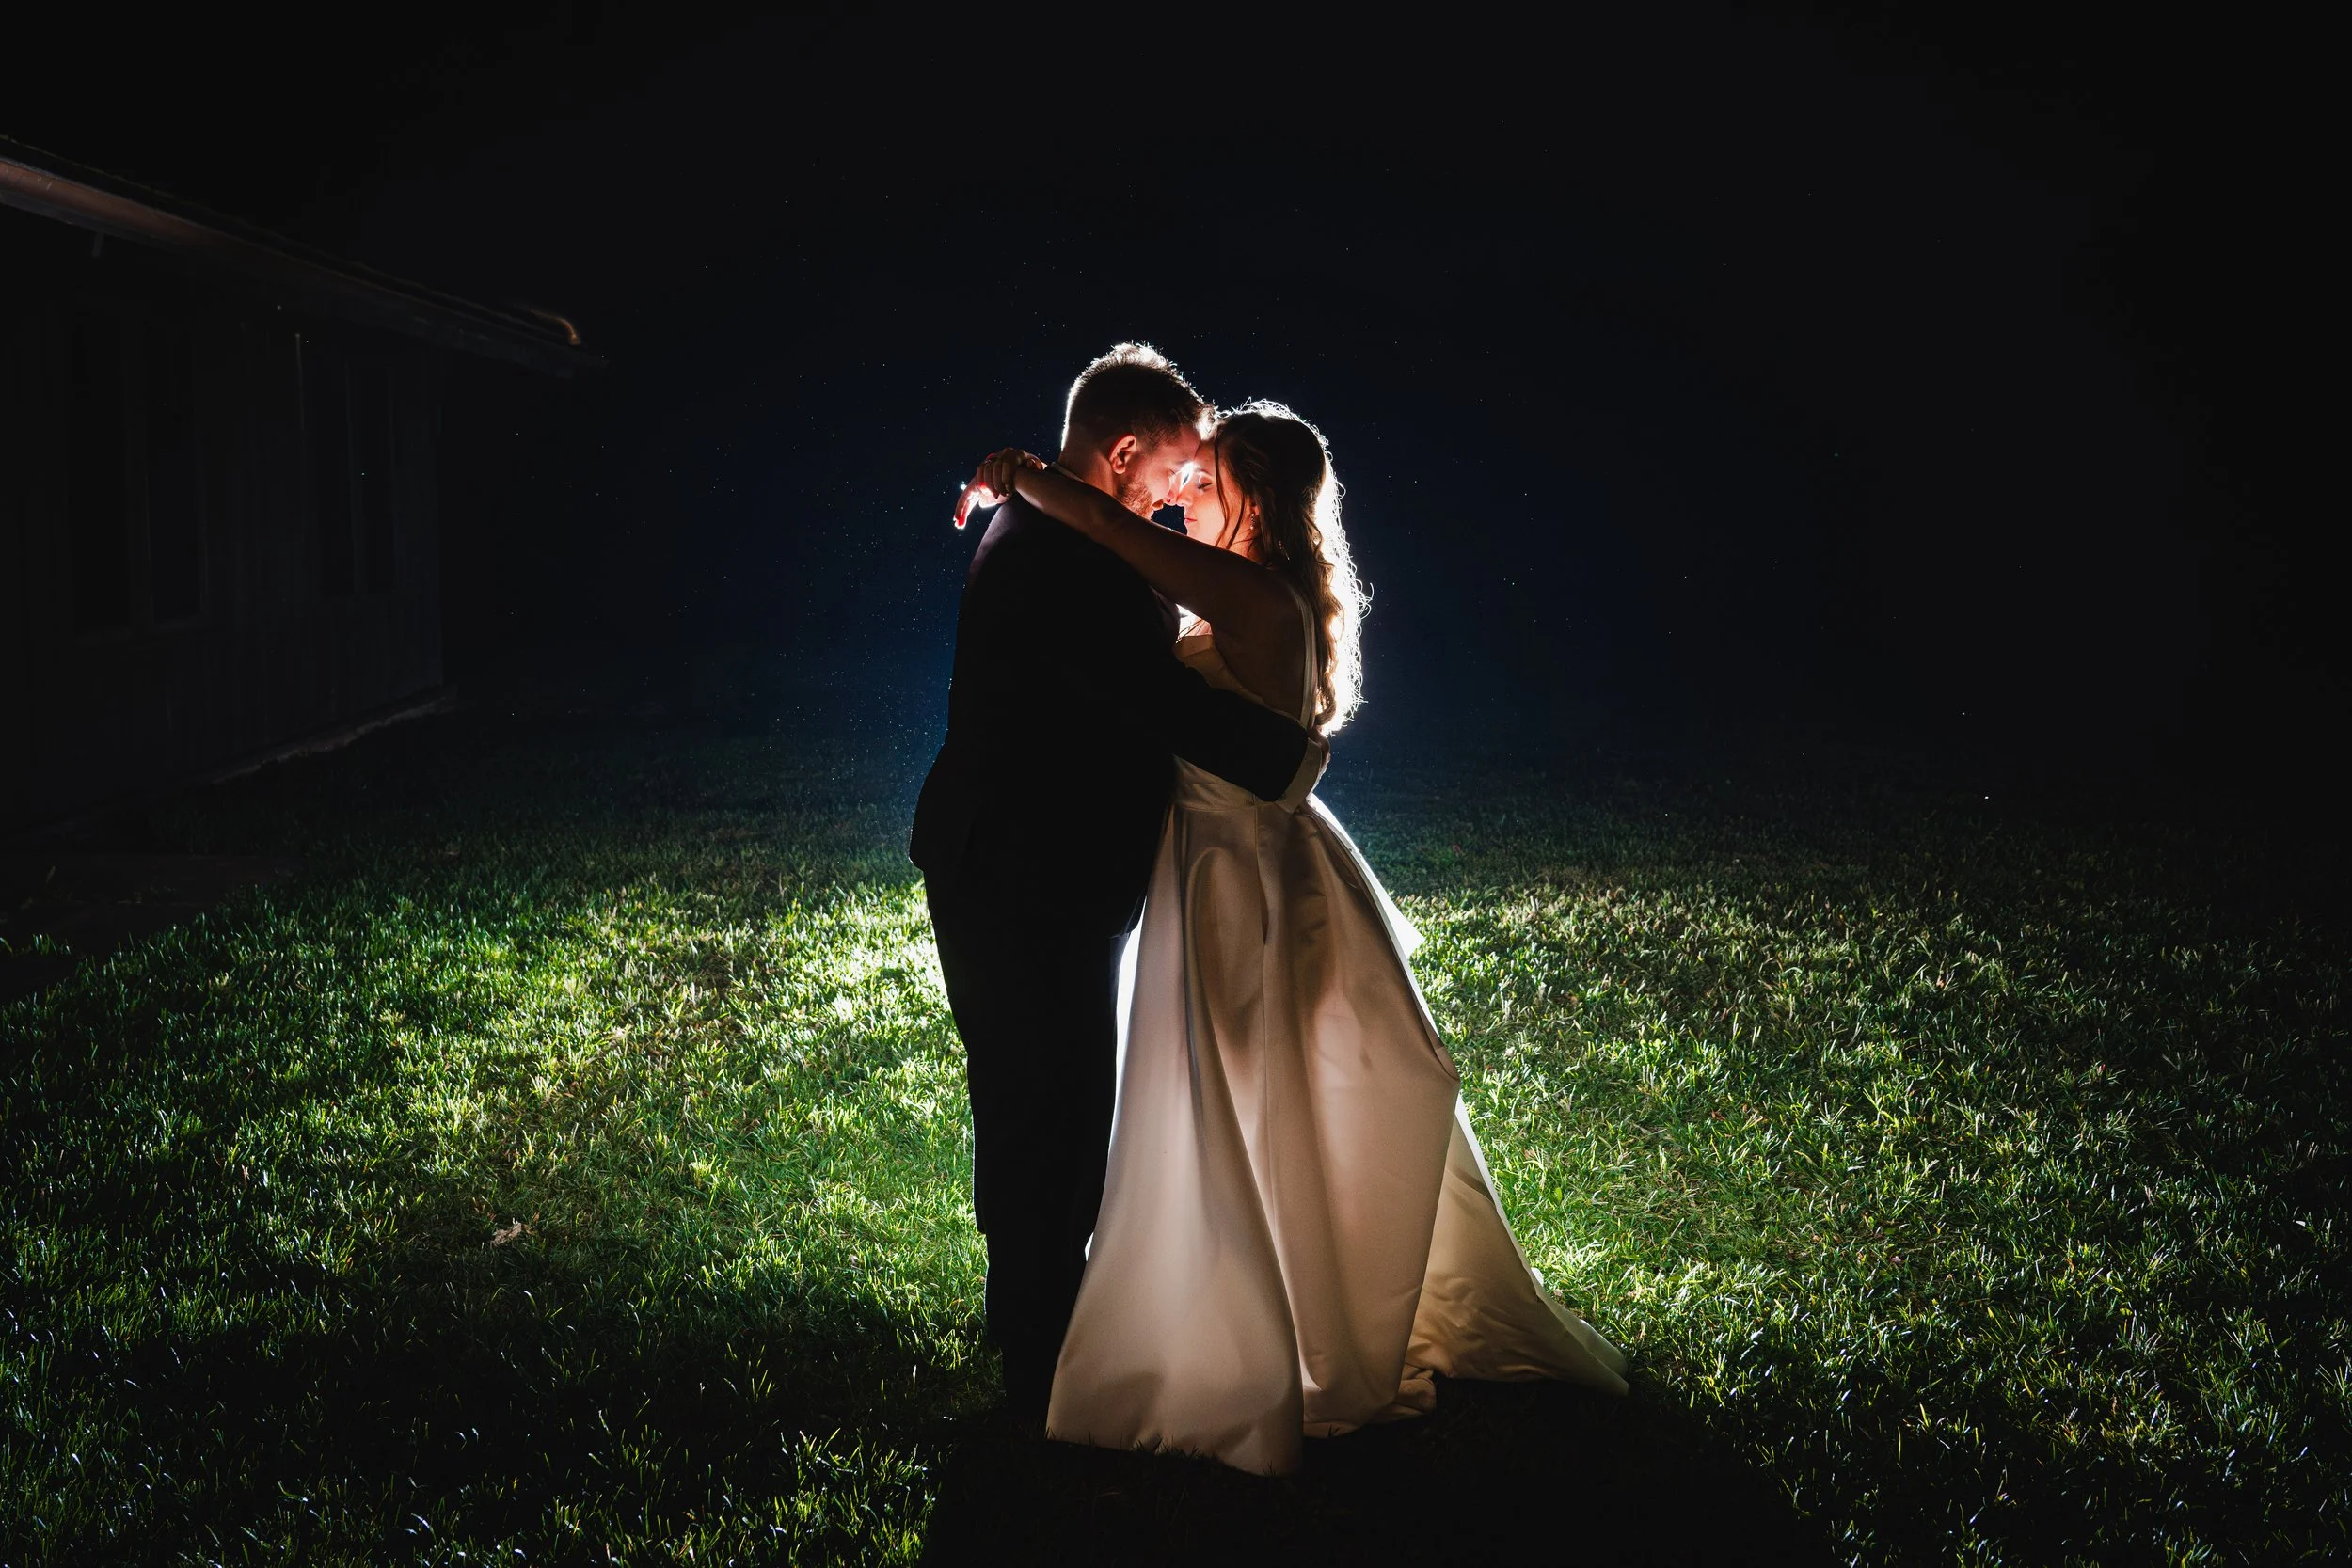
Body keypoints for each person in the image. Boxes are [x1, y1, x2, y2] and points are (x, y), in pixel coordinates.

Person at [957, 401, 1628, 1476]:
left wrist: (1022, 473)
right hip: (1220, 857)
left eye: (1208, 478)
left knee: (1240, 1101)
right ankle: (1243, 1305)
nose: (1186, 494)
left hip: (1237, 874)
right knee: (1241, 1101)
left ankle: (1255, 1333)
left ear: (1254, 496)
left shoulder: (1247, 591)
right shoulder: (1246, 577)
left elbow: (1116, 535)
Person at [911, 344, 1327, 1420]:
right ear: (1126, 451)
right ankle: (1040, 1355)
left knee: (1046, 1098)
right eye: (1176, 467)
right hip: (1020, 869)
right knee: (1044, 1102)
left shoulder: (1065, 533)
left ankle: (1043, 1327)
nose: (1183, 489)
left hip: (1029, 862)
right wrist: (1293, 763)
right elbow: (1158, 702)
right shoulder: (1065, 555)